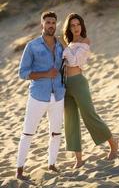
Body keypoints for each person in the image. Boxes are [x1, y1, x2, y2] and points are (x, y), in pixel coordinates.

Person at [62, 13, 118, 169]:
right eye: (72, 25)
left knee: (89, 116)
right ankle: (79, 159)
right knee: (70, 121)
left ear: (82, 26)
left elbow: (74, 62)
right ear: (69, 28)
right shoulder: (69, 43)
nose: (76, 28)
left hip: (79, 83)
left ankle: (113, 143)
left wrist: (64, 49)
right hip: (65, 85)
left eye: (78, 24)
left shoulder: (85, 42)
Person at [16, 11, 65, 179]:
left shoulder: (60, 45)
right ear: (42, 25)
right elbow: (22, 73)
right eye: (48, 22)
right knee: (28, 133)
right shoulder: (32, 46)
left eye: (53, 22)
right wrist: (45, 73)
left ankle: (51, 164)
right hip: (38, 96)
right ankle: (19, 169)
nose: (51, 25)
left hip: (58, 95)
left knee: (56, 133)